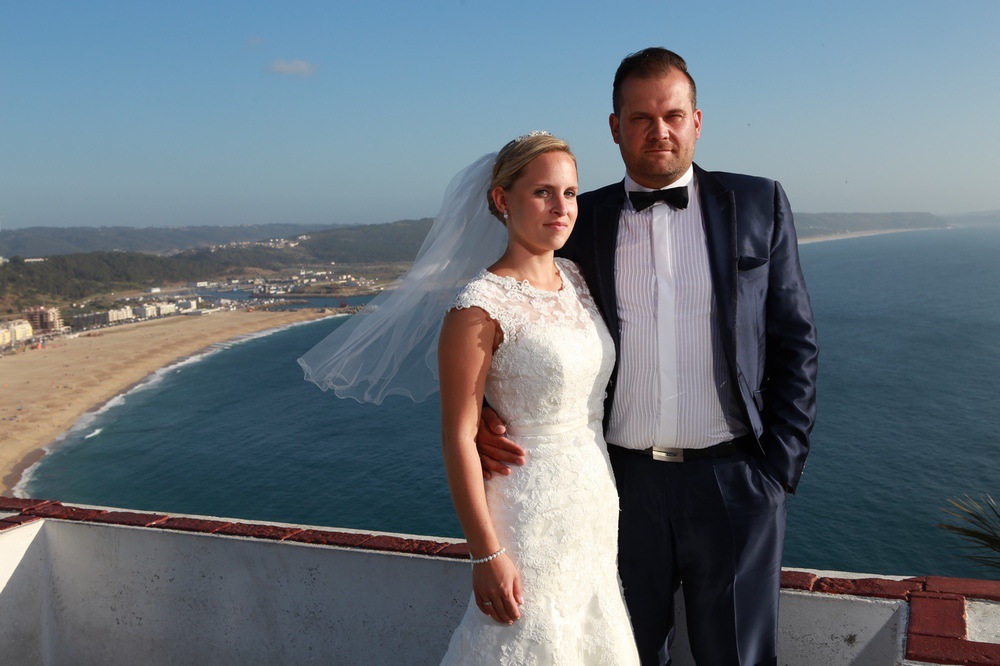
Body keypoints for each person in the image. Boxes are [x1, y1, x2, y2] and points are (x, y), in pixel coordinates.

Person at [477, 48, 819, 665]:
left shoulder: (759, 204)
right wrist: (484, 407)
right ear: (614, 127)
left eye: (672, 115)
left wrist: (777, 471)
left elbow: (794, 341)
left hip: (736, 482)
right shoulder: (577, 218)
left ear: (696, 121)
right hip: (617, 485)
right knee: (621, 653)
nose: (658, 130)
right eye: (640, 118)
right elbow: (510, 314)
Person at [299, 133, 640, 664]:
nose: (561, 208)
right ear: (502, 200)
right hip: (528, 509)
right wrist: (488, 552)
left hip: (593, 505)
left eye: (570, 193)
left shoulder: (574, 278)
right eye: (542, 193)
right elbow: (458, 434)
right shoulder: (478, 307)